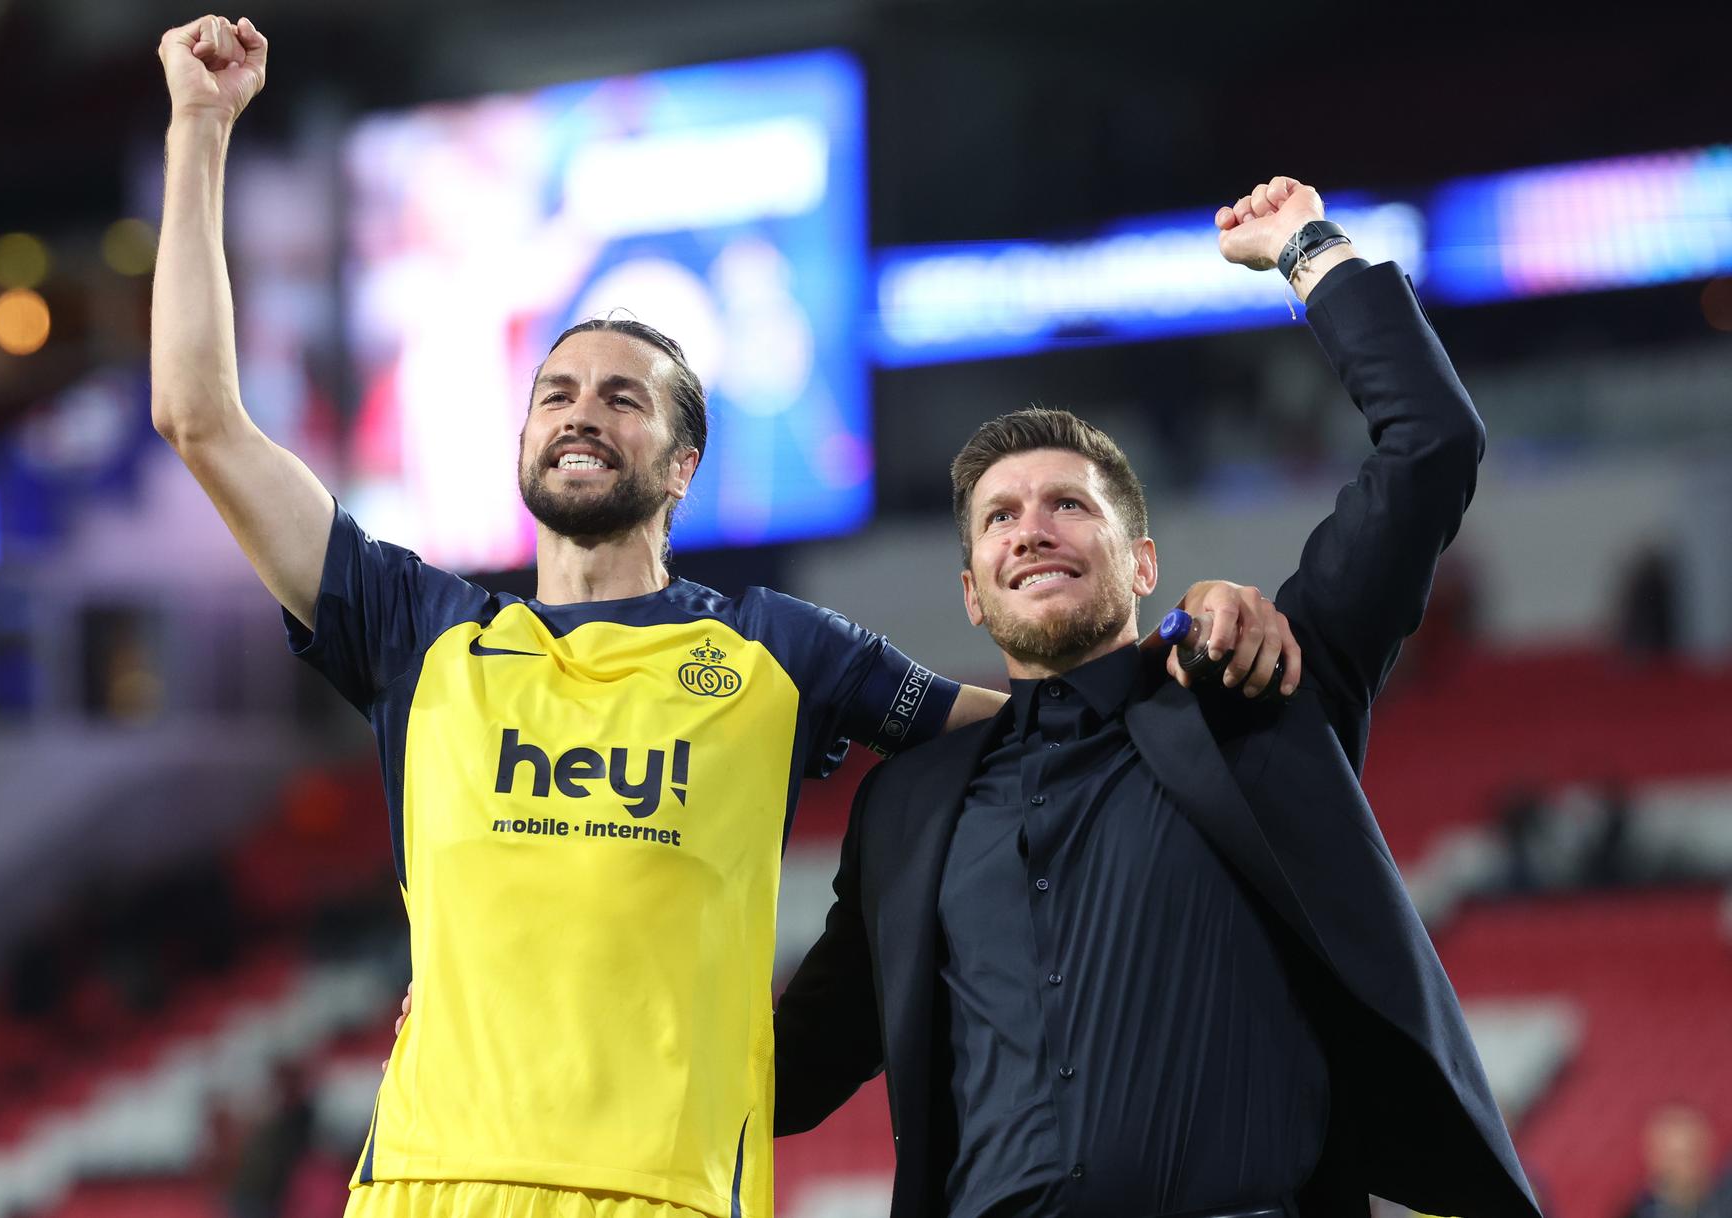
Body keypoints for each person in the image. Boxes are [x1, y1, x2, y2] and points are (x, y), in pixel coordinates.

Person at [151, 16, 1295, 1218]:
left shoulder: (774, 649)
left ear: (684, 461)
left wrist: (1188, 636)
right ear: (524, 433)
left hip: (675, 1195)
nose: (581, 412)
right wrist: (199, 129)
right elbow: (199, 415)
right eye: (556, 393)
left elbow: (1045, 731)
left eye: (622, 398)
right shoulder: (414, 629)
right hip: (430, 1189)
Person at [773, 177, 1542, 1218]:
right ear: (971, 591)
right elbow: (789, 1070)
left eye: (1065, 507)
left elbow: (1432, 444)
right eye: (999, 518)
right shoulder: (906, 806)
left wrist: (1307, 250)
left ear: (1142, 563)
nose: (1029, 529)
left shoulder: (1254, 692)